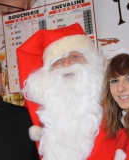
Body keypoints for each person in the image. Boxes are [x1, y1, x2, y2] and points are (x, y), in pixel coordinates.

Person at [16, 23, 116, 160]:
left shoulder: (116, 103)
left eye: (75, 56)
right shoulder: (29, 115)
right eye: (59, 60)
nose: (68, 64)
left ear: (92, 62)